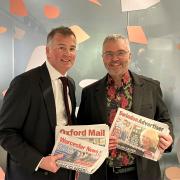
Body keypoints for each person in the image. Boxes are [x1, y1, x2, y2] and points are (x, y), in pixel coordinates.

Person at [77, 34, 174, 180]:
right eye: (109, 54)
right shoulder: (89, 93)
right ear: (103, 58)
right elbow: (81, 132)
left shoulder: (151, 87)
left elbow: (165, 120)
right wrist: (97, 142)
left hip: (143, 174)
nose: (115, 59)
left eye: (120, 53)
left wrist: (168, 137)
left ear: (130, 55)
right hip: (104, 174)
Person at [0, 26, 77, 180]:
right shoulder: (24, 83)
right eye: (61, 47)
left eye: (72, 48)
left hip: (63, 172)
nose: (68, 54)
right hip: (31, 174)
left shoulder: (70, 83)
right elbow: (5, 132)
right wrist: (40, 161)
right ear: (48, 51)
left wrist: (73, 167)